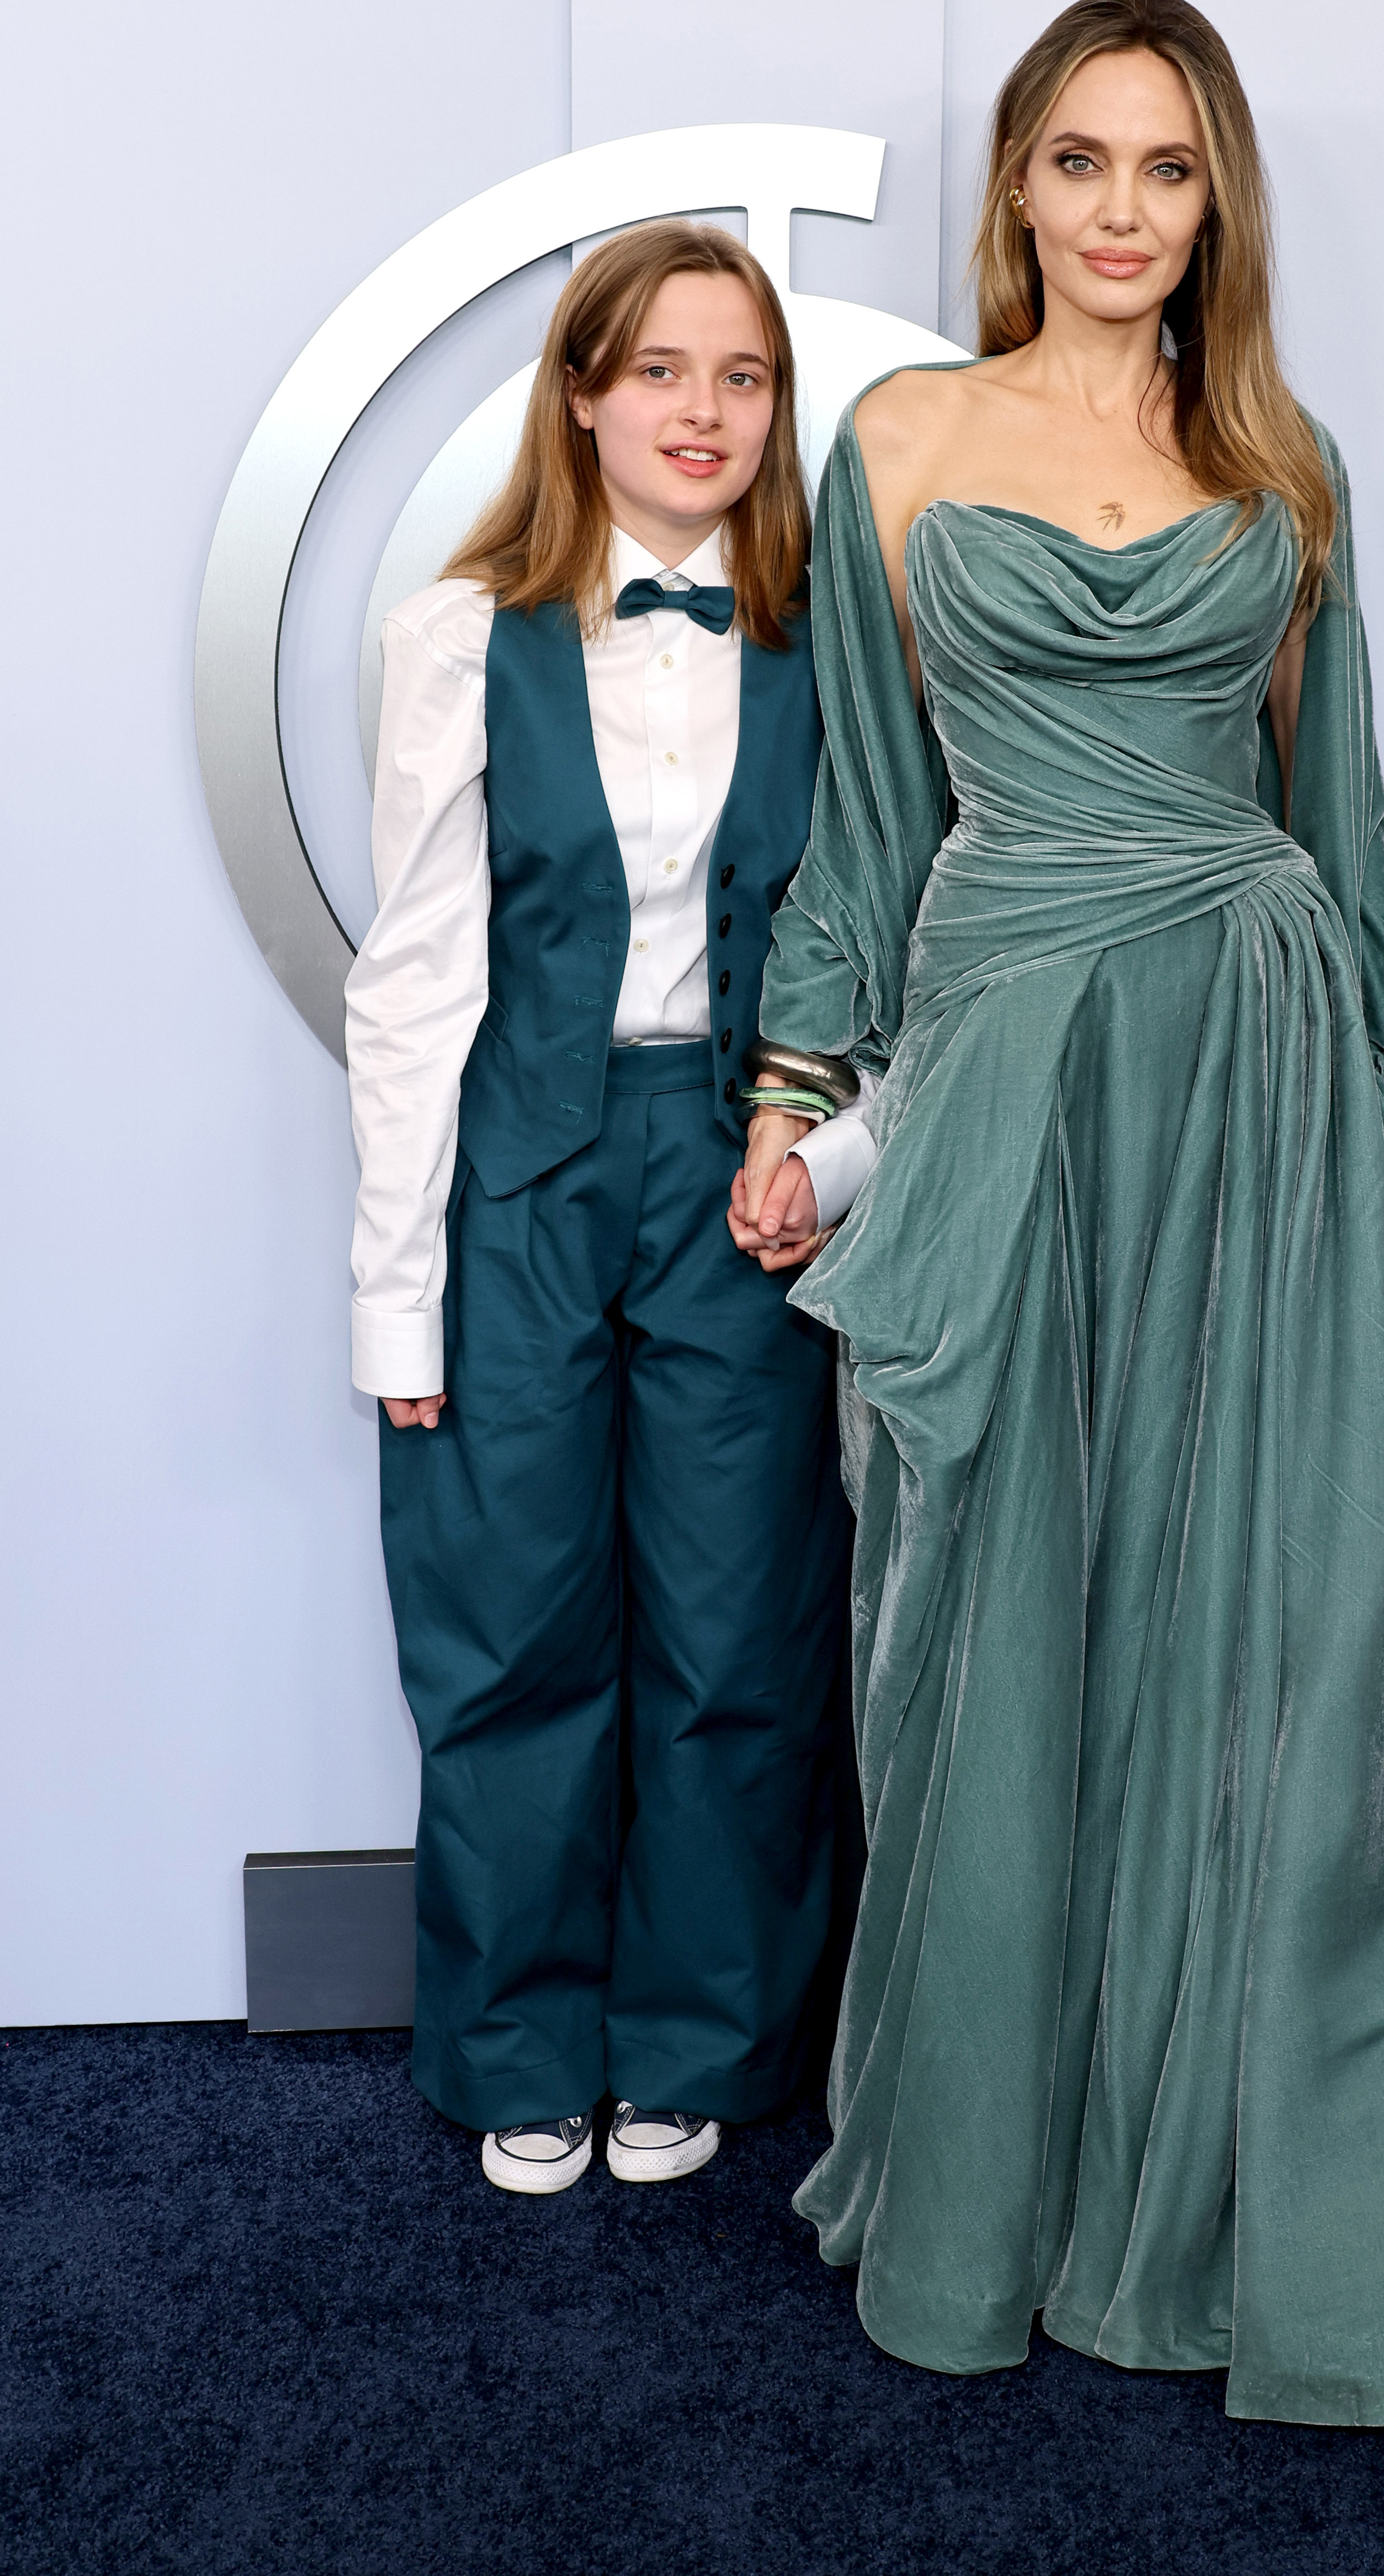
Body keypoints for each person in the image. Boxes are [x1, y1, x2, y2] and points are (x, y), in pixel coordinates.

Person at [732, 0, 1384, 2455]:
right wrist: (793, 1087)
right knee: (978, 1606)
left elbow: (1340, 814)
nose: (1111, 210)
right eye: (1073, 161)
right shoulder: (894, 441)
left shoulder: (1282, 468)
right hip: (998, 1072)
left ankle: (1240, 2164)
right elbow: (865, 826)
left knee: (1256, 1627)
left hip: (1252, 1064)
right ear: (1013, 191)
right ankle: (997, 2169)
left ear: (1211, 208)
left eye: (1159, 170)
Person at [346, 222, 867, 2197]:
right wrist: (396, 1303)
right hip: (520, 1169)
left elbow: (885, 945)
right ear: (580, 395)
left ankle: (700, 2040)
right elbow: (407, 980)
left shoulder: (842, 645)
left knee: (738, 1632)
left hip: (746, 1174)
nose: (703, 412)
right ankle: (512, 2046)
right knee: (505, 1632)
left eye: (739, 378)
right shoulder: (461, 633)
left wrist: (830, 1153)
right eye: (660, 370)